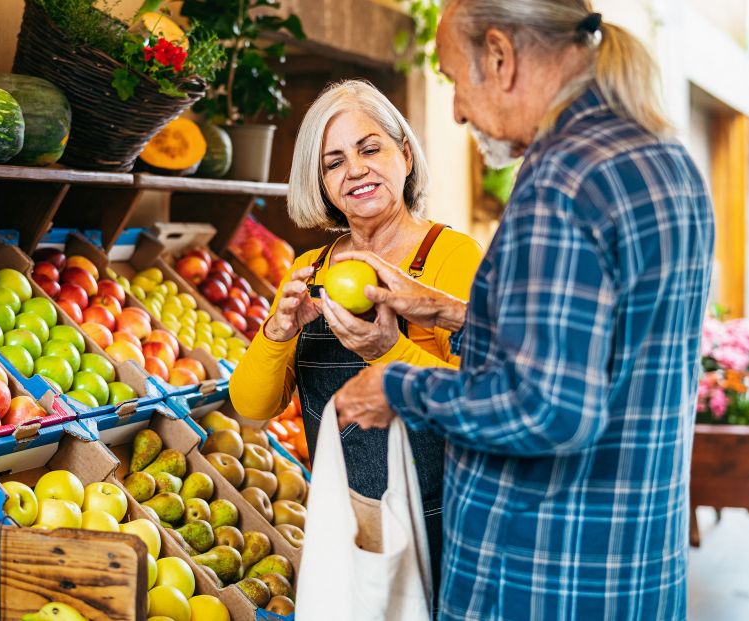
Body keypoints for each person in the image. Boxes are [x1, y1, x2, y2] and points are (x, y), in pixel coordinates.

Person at [332, 2, 716, 620]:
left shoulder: (561, 179)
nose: (456, 108)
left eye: (456, 78)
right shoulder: (664, 160)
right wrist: (447, 310)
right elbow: (598, 350)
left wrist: (396, 386)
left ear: (500, 57)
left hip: (540, 576)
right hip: (633, 566)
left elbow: (549, 408)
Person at [229, 79, 482, 602]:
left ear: (405, 155)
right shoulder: (309, 270)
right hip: (346, 522)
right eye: (333, 162)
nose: (356, 170)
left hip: (446, 520)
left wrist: (385, 351)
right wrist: (278, 331)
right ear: (319, 181)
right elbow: (251, 409)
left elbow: (480, 402)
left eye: (370, 149)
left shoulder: (453, 258)